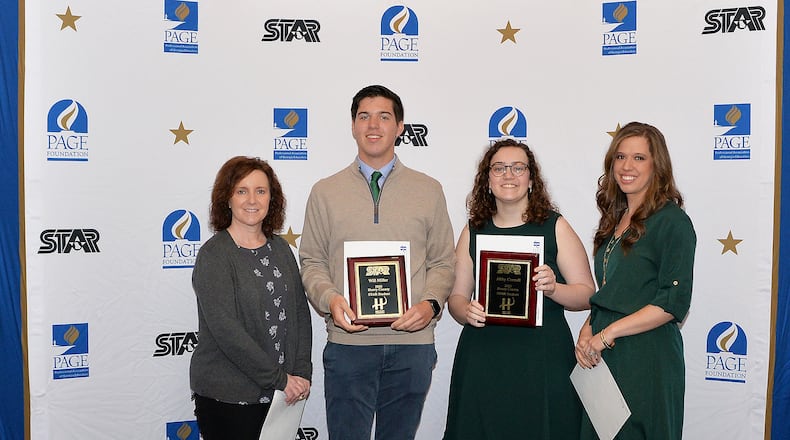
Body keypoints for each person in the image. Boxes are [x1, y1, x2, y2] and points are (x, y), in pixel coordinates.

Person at [299, 84, 455, 440]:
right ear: (353, 126)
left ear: (400, 127)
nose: (373, 125)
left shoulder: (428, 189)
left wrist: (431, 305)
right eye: (364, 116)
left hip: (412, 346)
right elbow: (311, 261)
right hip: (348, 345)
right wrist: (330, 301)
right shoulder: (325, 191)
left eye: (384, 116)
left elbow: (444, 262)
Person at [442, 138, 596, 439]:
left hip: (542, 359)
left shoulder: (555, 226)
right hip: (484, 359)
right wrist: (466, 311)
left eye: (517, 168)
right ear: (486, 179)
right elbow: (456, 299)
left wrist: (554, 289)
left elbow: (588, 293)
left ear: (531, 178)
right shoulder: (474, 229)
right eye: (498, 168)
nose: (508, 175)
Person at [575, 122, 696, 439]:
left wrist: (607, 333)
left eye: (639, 158)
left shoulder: (673, 222)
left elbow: (672, 304)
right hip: (606, 357)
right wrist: (590, 327)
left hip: (646, 356)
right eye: (620, 157)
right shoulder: (613, 220)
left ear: (658, 165)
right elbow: (616, 290)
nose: (627, 166)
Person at [189, 156, 313, 440]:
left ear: (272, 198)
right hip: (228, 397)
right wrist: (281, 379)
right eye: (241, 191)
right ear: (227, 199)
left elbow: (299, 314)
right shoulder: (214, 256)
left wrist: (302, 372)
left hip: (281, 397)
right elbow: (226, 331)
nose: (252, 199)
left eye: (261, 190)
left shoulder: (281, 249)